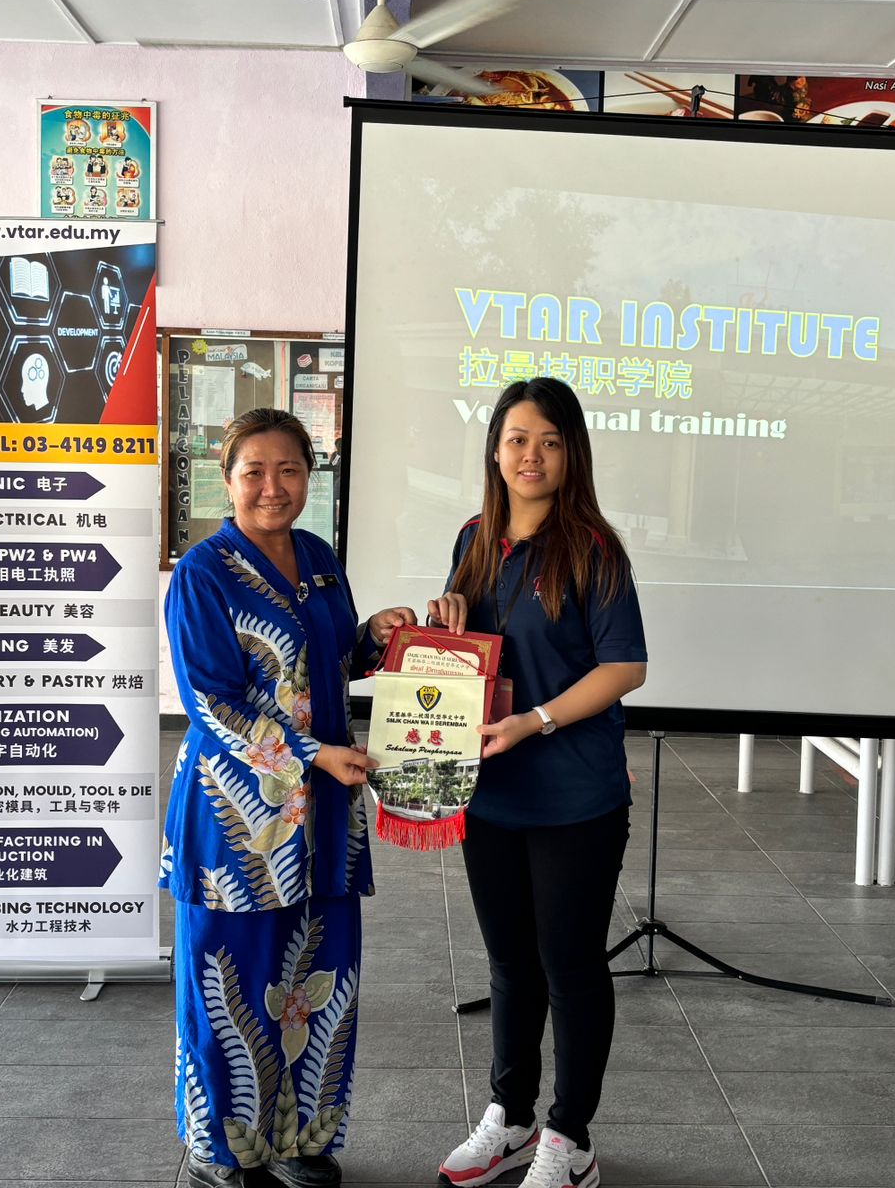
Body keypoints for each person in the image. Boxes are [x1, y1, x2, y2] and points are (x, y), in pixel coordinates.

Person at [161, 407, 415, 1188]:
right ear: (227, 479)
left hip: (326, 819)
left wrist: (378, 636)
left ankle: (304, 1141)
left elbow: (331, 660)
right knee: (229, 985)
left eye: (290, 470)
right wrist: (311, 755)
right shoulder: (202, 573)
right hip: (238, 823)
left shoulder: (319, 559)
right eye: (254, 472)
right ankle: (221, 1149)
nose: (272, 487)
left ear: (310, 476)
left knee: (320, 983)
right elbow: (214, 703)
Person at [427, 378, 647, 1188]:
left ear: (571, 454)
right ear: (495, 449)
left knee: (570, 965)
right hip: (491, 792)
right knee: (510, 964)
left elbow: (626, 667)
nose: (532, 455)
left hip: (575, 797)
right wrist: (443, 619)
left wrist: (536, 721)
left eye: (550, 442)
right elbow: (467, 653)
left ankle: (570, 1136)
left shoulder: (593, 549)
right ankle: (511, 1116)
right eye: (518, 439)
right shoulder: (474, 538)